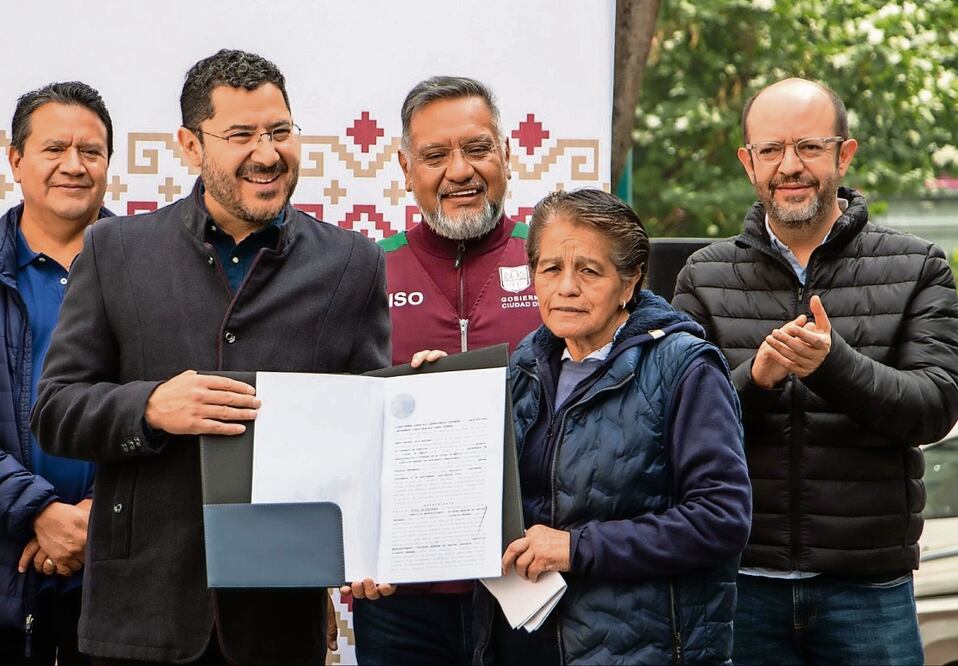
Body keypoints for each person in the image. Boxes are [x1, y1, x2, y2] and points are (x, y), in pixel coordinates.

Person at [30, 49, 390, 665]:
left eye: (280, 131)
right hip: (140, 612)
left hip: (281, 613)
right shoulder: (117, 249)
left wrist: (372, 542)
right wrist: (149, 407)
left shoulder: (350, 262)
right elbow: (55, 410)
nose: (268, 153)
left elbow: (370, 432)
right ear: (190, 146)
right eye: (241, 134)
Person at [672, 77, 958, 664]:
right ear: (748, 162)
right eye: (771, 150)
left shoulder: (918, 265)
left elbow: (934, 408)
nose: (789, 166)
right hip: (739, 581)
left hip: (869, 589)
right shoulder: (704, 276)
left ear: (843, 154)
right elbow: (671, 421)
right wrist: (756, 377)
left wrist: (834, 366)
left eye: (808, 146)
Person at [466, 188, 752, 664]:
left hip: (639, 649)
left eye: (589, 271)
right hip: (522, 642)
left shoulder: (685, 368)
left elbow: (720, 519)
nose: (566, 288)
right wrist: (434, 395)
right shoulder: (522, 367)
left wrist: (576, 548)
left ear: (630, 282)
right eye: (551, 269)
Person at [351, 76, 541, 665]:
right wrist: (353, 552)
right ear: (406, 169)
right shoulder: (362, 270)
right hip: (401, 598)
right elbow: (336, 425)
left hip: (533, 579)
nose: (459, 171)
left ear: (506, 155)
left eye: (477, 148)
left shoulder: (556, 259)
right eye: (435, 155)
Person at [0, 81, 114, 666]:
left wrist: (98, 510)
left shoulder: (153, 274)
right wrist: (38, 511)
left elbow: (175, 408)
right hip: (8, 563)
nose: (74, 166)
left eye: (91, 152)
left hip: (121, 573)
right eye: (54, 149)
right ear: (15, 159)